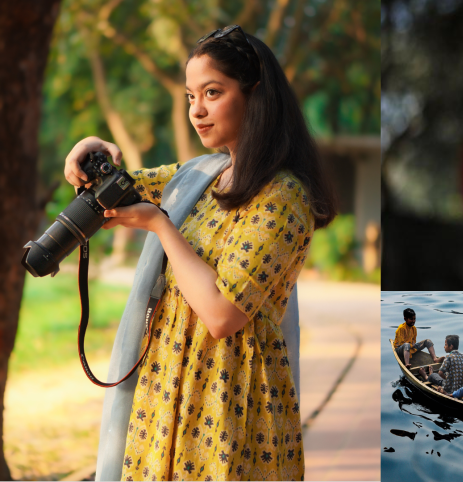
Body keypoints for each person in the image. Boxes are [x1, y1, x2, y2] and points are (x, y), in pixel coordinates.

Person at [64, 25, 338, 481]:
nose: (197, 110)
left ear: (255, 95)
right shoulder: (204, 175)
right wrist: (91, 150)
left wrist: (157, 223)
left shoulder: (283, 196)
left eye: (213, 92)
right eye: (191, 96)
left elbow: (222, 312)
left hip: (231, 399)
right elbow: (124, 183)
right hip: (169, 382)